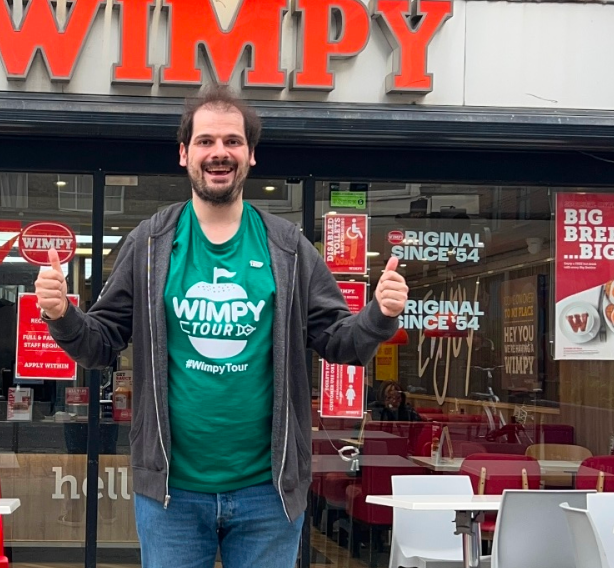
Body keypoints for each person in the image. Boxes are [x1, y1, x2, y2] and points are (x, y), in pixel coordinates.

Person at [35, 85, 408, 568]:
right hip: (171, 494)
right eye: (206, 141)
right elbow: (102, 345)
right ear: (184, 153)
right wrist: (62, 315)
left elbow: (339, 342)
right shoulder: (150, 244)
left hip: (267, 493)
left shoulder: (287, 247)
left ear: (251, 155)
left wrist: (378, 314)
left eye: (233, 141)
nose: (219, 152)